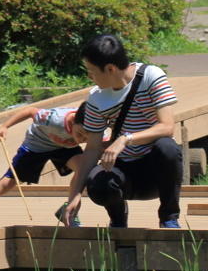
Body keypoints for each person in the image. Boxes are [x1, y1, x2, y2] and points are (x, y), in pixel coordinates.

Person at [61, 34, 182, 229]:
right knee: (97, 183)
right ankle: (118, 219)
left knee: (168, 147)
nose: (89, 77)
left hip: (157, 174)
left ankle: (169, 218)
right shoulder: (96, 98)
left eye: (91, 71)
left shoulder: (151, 76)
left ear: (110, 69)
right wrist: (76, 194)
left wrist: (125, 139)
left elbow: (167, 127)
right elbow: (92, 149)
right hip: (125, 173)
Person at [0, 103, 90, 233]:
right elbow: (30, 111)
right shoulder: (53, 119)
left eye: (86, 138)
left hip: (65, 147)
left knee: (84, 170)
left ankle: (69, 212)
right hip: (37, 145)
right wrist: (4, 126)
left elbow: (100, 145)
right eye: (80, 133)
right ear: (73, 121)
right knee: (8, 182)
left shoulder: (95, 125)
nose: (82, 139)